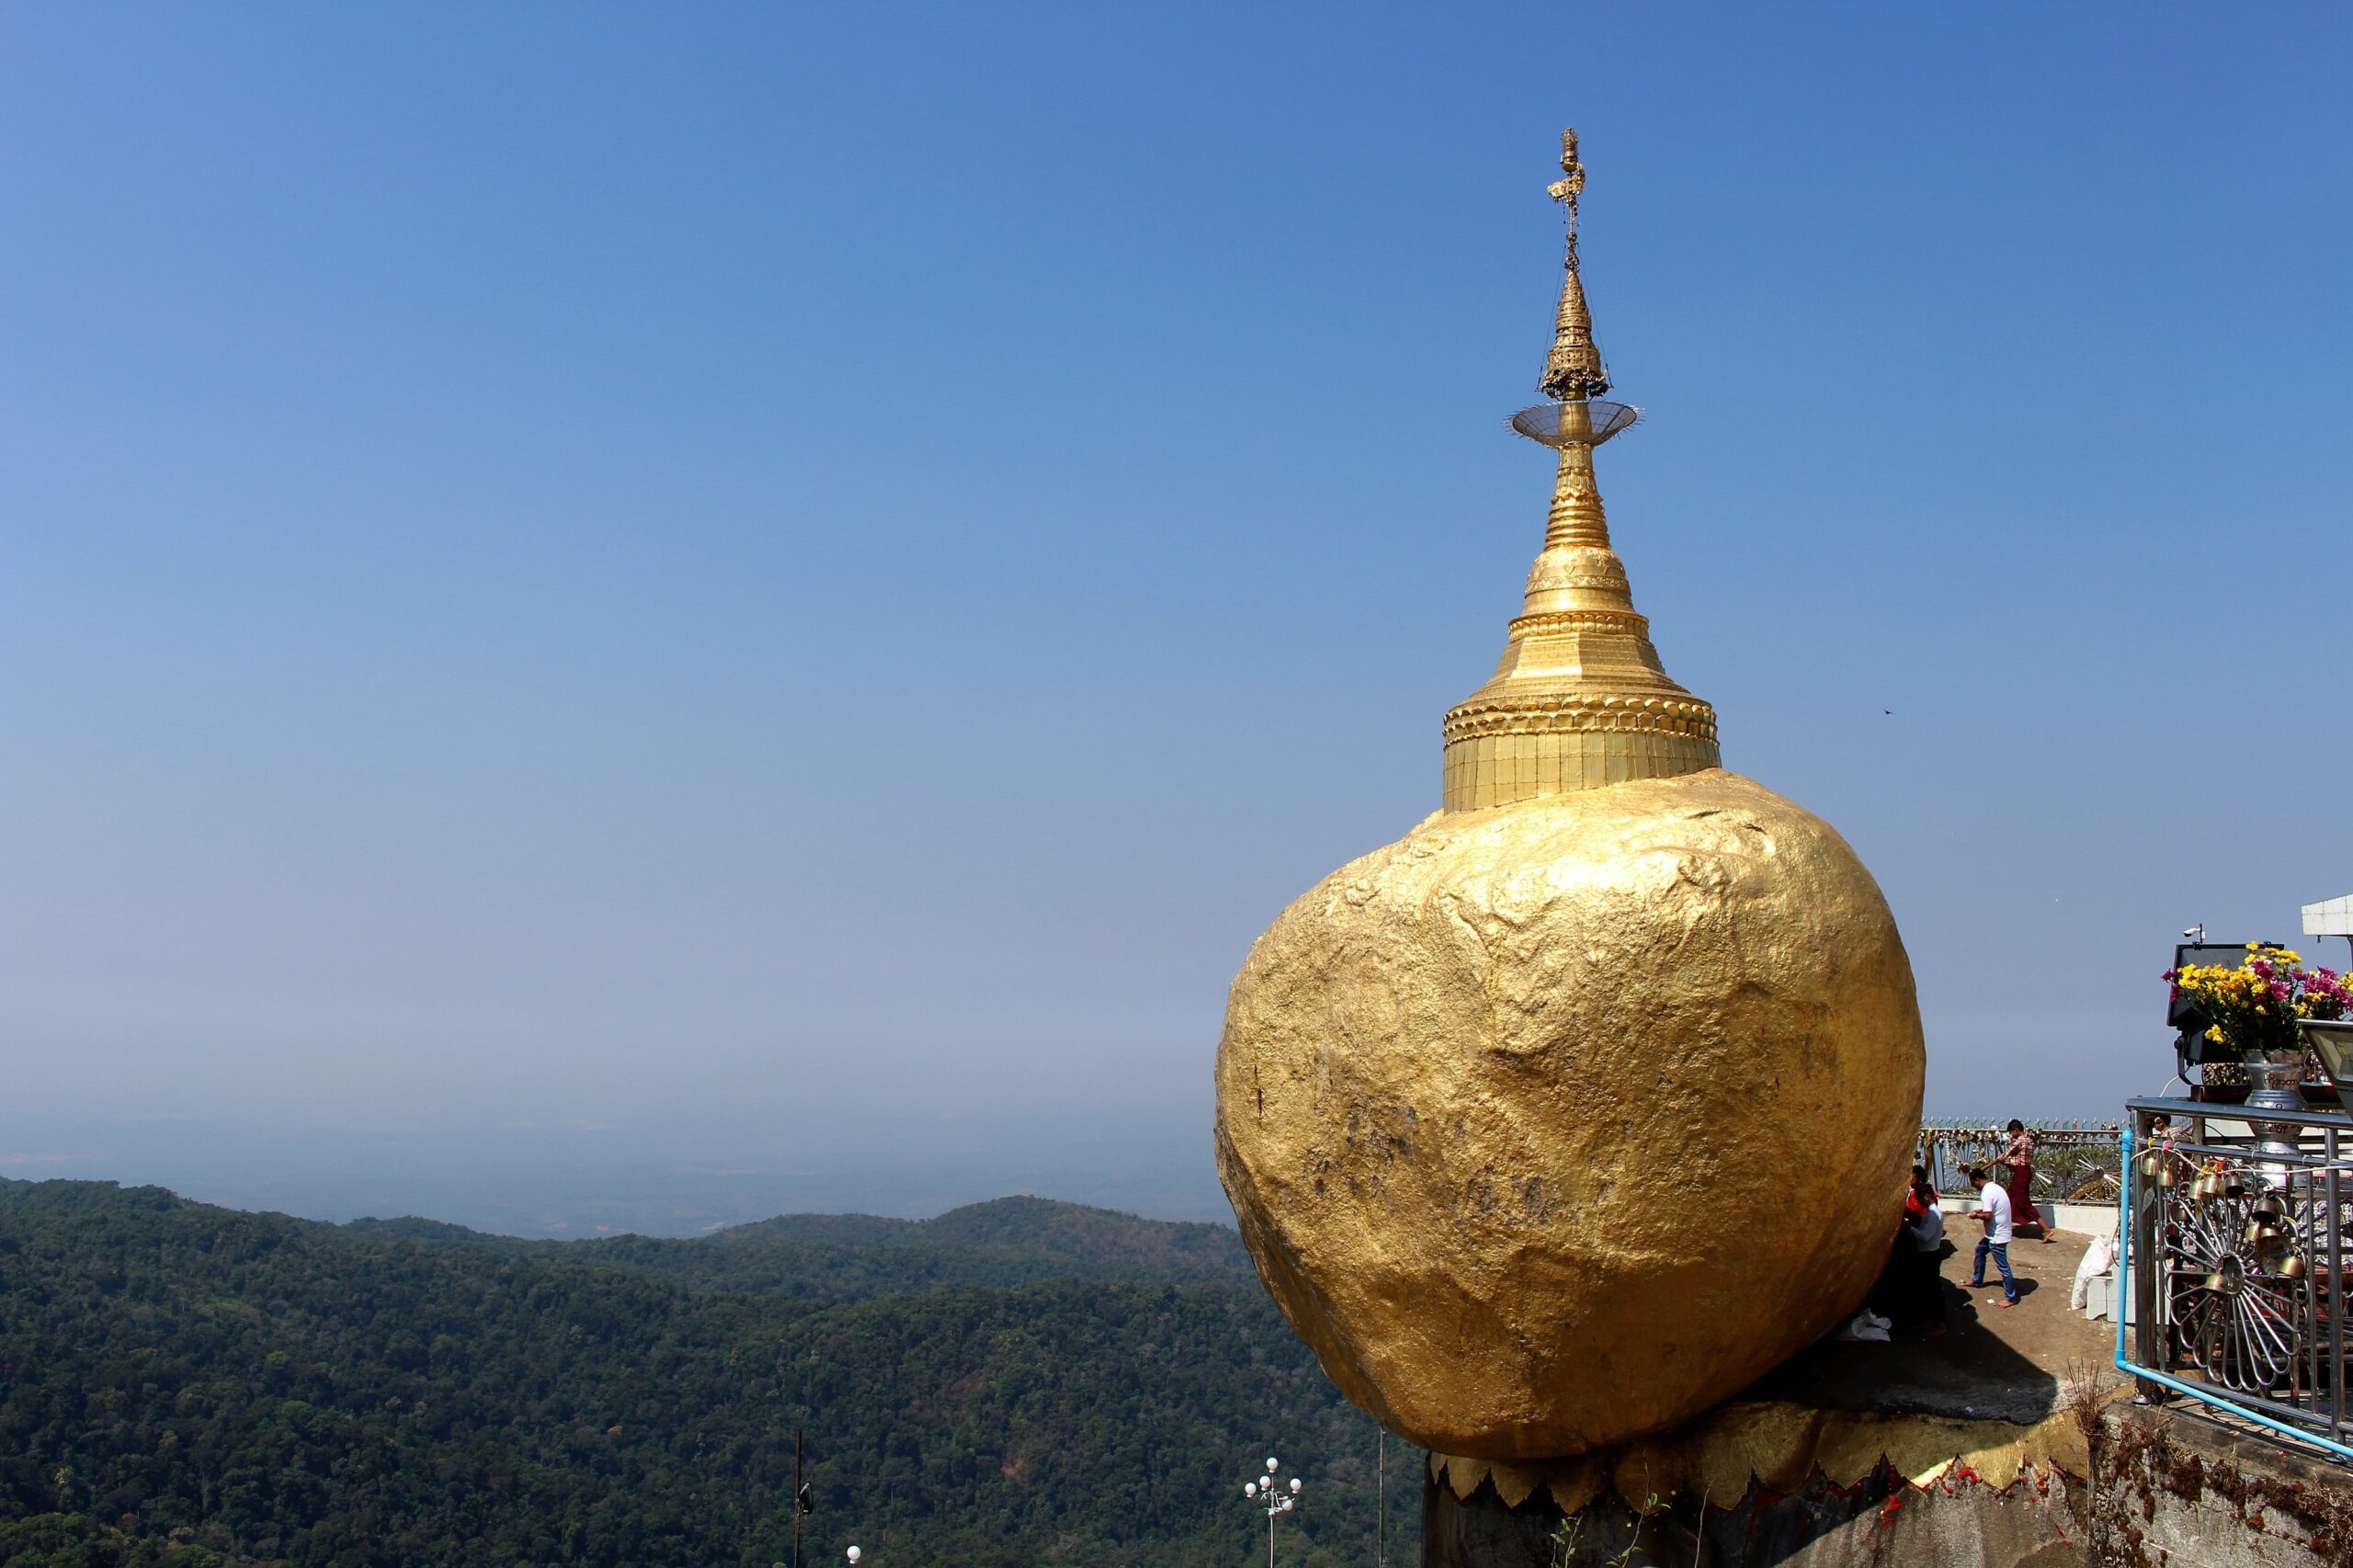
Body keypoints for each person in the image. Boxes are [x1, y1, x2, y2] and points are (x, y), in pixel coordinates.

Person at [1901, 1165, 1947, 1334]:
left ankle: (1940, 1324)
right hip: (1926, 1254)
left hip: (1930, 1255)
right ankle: (1930, 1321)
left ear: (1927, 1197)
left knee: (1933, 1290)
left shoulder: (1934, 1215)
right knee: (1927, 1290)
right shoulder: (1930, 1213)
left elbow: (1926, 1236)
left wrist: (1908, 1228)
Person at [1966, 1163, 2018, 1308]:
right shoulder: (1995, 1188)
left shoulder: (1987, 1192)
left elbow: (1988, 1216)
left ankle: (2011, 1298)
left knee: (2003, 1267)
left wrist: (1975, 1216)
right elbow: (1992, 1209)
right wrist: (1981, 1210)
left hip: (1997, 1236)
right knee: (1979, 1250)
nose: (1973, 1186)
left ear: (1977, 1180)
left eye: (1972, 1183)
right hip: (1996, 1233)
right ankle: (1977, 1280)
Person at [2001, 1119, 2053, 1243]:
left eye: (2011, 1132)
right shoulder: (2029, 1140)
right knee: (2009, 1198)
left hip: (2021, 1174)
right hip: (2024, 1172)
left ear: (2016, 1130)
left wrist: (2003, 1160)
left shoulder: (2020, 1141)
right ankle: (2004, 1225)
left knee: (2023, 1203)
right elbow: (2021, 1159)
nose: (2011, 1135)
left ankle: (2046, 1229)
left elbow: (2006, 1155)